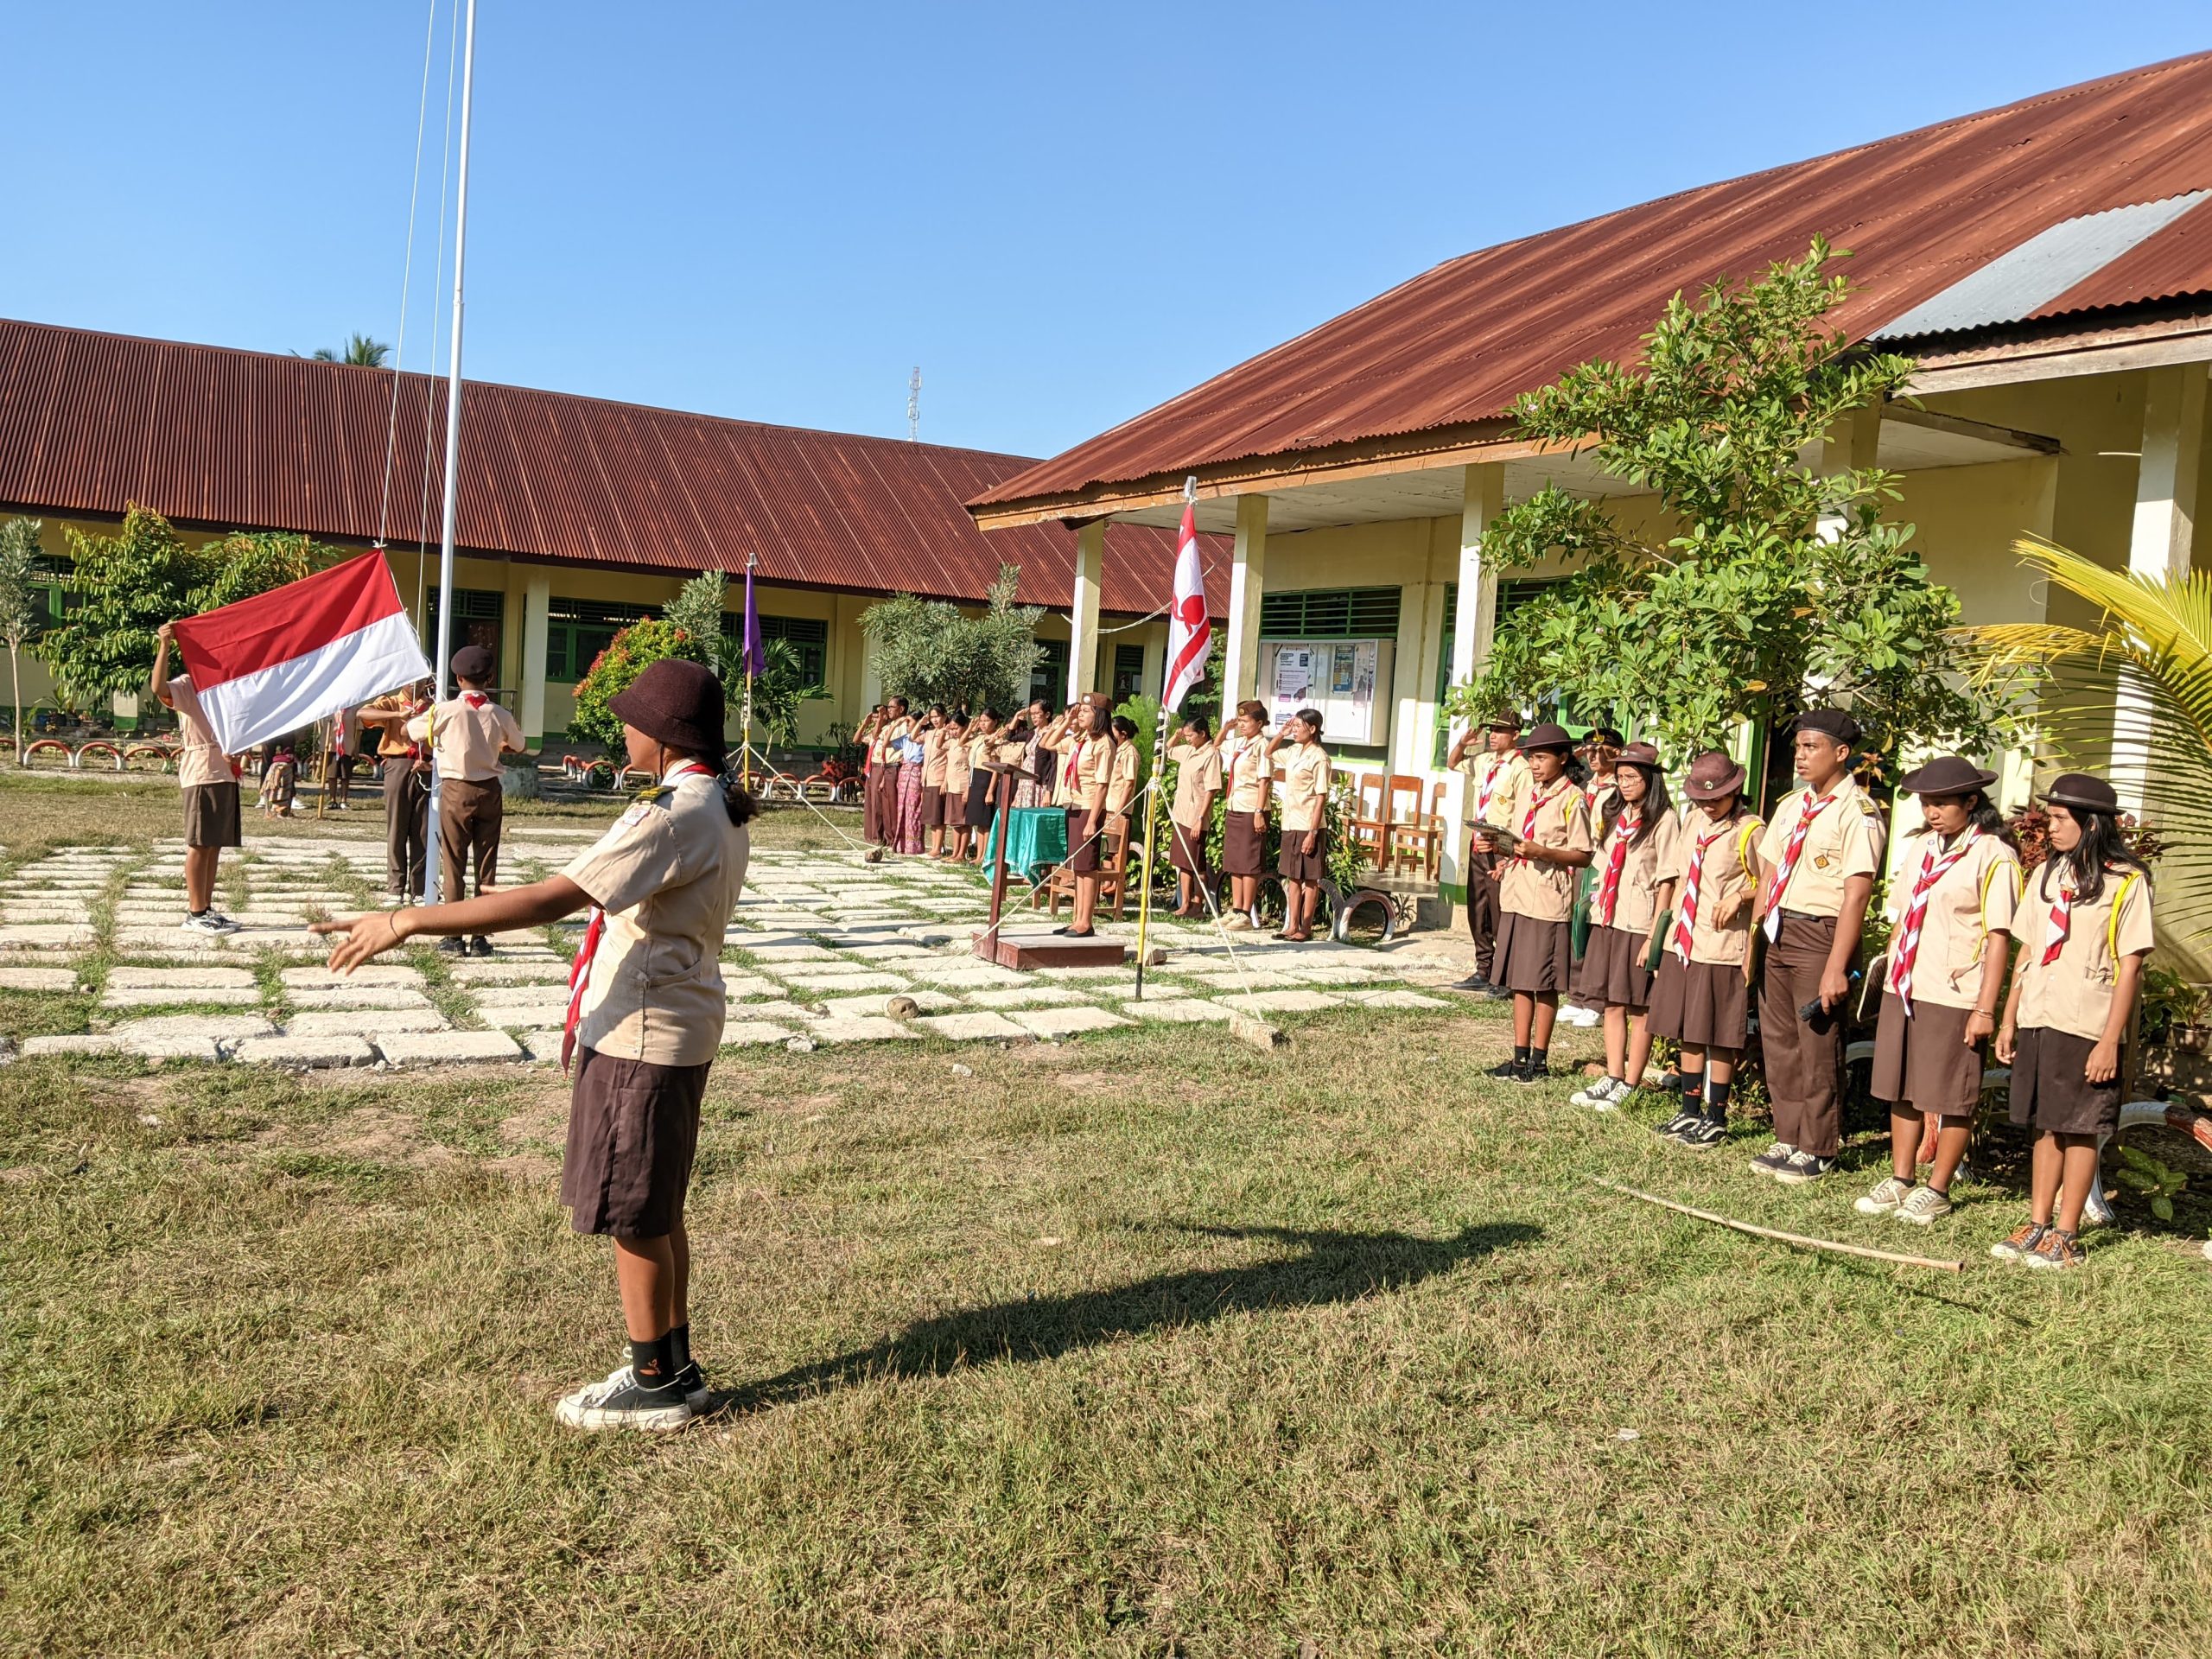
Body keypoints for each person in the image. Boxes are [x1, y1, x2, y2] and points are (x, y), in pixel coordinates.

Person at [316, 658, 754, 1429]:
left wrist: (407, 919)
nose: (623, 731)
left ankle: (655, 1386)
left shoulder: (670, 814)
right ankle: (676, 1367)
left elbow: (554, 900)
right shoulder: (711, 799)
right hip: (676, 1019)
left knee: (635, 1214)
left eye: (632, 720)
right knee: (658, 1206)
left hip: (641, 1033)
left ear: (662, 734)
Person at [1993, 773, 2155, 1270]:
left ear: (2092, 824)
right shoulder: (2048, 873)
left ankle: (2067, 1233)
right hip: (2040, 1013)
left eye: (2061, 819)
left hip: (2086, 1021)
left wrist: (2110, 1041)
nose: (2051, 827)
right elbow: (2028, 949)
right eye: (2051, 817)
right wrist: (2008, 1018)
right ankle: (2038, 1222)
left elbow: (2131, 966)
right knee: (2046, 1125)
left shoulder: (2126, 881)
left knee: (2080, 1128)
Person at [1855, 757, 2022, 1225]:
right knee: (1901, 1085)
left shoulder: (1993, 855)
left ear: (1971, 802)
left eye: (1943, 803)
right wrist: (1890, 972)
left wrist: (1984, 1009)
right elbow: (1903, 915)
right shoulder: (1923, 847)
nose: (1932, 811)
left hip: (1954, 989)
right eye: (1927, 802)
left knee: (1951, 1093)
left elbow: (1999, 937)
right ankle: (1902, 1178)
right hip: (1907, 983)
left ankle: (1938, 1188)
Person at [1751, 708, 1888, 1185]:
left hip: (1820, 934)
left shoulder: (1858, 813)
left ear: (1841, 752)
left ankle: (1818, 1145)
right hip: (1778, 928)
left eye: (1812, 747)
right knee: (1780, 1039)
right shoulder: (1792, 805)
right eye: (1798, 747)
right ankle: (1788, 1134)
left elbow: (1856, 895)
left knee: (1817, 1042)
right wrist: (1755, 938)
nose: (1801, 755)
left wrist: (1836, 966)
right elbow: (1769, 873)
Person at [1647, 752, 1764, 1147]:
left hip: (1722, 945)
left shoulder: (1751, 830)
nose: (1709, 805)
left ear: (1735, 792)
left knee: (1719, 1033)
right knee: (1690, 1030)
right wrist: (1664, 935)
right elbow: (1681, 878)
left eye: (1718, 798)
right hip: (1686, 941)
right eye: (1702, 799)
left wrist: (1741, 897)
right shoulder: (1694, 822)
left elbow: (1771, 883)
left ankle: (1716, 1116)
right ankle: (1690, 1109)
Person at [1569, 742, 1681, 1109]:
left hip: (1639, 922)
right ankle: (1613, 1075)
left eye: (1633, 777)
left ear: (1650, 779)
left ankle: (1631, 1081)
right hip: (1609, 917)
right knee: (1611, 1001)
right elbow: (1602, 862)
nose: (1626, 784)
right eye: (1621, 777)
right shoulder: (1615, 812)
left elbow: (1668, 880)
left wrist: (1654, 935)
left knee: (1638, 1006)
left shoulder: (1664, 820)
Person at [1480, 722, 1592, 1084]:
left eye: (1542, 758)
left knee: (1543, 981)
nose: (1535, 764)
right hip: (1518, 893)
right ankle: (1518, 1058)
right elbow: (1519, 841)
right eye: (1531, 758)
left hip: (1547, 899)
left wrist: (1543, 852)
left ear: (1563, 758)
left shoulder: (1573, 799)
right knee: (1520, 979)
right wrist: (1496, 847)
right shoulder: (1530, 792)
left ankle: (1540, 1061)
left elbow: (1584, 854)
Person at [406, 645, 528, 958]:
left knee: (453, 862)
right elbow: (519, 744)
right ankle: (481, 937)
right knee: (486, 865)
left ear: (458, 679)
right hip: (489, 791)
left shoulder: (444, 711)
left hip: (456, 791)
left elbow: (412, 730)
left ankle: (453, 936)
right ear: (491, 678)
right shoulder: (500, 714)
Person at [148, 620, 242, 934]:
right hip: (202, 770)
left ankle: (207, 906)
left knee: (214, 844)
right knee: (200, 843)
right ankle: (195, 911)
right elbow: (159, 689)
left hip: (225, 771)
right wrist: (164, 646)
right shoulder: (189, 684)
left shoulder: (229, 686)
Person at [1446, 713, 1531, 994]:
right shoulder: (1486, 761)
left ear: (1515, 735)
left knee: (1499, 913)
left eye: (1500, 731)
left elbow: (1523, 817)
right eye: (1491, 730)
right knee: (1478, 909)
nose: (1493, 735)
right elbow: (1453, 763)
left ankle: (1504, 976)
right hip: (1478, 846)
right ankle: (1484, 969)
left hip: (1501, 849)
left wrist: (1509, 855)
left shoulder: (1521, 769)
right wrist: (1463, 743)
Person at [1040, 695, 1115, 938]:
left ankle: (1086, 921)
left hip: (1088, 808)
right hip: (1073, 805)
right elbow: (1047, 743)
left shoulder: (1104, 744)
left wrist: (1092, 820)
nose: (1080, 715)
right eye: (1079, 711)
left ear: (1099, 715)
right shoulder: (1081, 739)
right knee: (1078, 867)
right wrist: (1066, 721)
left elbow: (1102, 785)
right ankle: (1076, 918)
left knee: (1087, 866)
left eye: (1085, 711)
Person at [359, 677, 434, 900]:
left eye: (421, 680)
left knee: (423, 829)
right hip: (398, 763)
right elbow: (363, 713)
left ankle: (419, 889)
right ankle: (396, 887)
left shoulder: (433, 705)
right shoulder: (392, 702)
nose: (415, 684)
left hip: (426, 765)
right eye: (411, 680)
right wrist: (396, 715)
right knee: (397, 828)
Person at [1267, 709, 1332, 942]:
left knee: (1310, 878)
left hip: (1308, 824)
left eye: (1298, 727)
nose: (1294, 730)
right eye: (1293, 726)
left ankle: (1305, 927)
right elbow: (1268, 752)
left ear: (1312, 729)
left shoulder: (1319, 757)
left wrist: (1312, 833)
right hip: (1291, 822)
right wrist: (1281, 733)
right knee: (1292, 876)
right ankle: (1291, 925)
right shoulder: (1294, 750)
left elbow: (1321, 797)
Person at [1218, 700, 1273, 931]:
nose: (1241, 725)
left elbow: (1264, 781)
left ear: (1259, 723)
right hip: (1236, 805)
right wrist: (1226, 729)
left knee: (1249, 862)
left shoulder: (1262, 746)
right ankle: (1236, 908)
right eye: (1239, 721)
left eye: (1245, 721)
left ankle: (1246, 913)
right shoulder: (1242, 743)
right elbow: (1216, 746)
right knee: (1235, 861)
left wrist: (1259, 811)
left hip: (1252, 808)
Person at [1163, 715, 1224, 918]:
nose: (1188, 739)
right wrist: (1177, 736)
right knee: (1183, 861)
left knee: (1196, 861)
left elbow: (1211, 789)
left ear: (1202, 733)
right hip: (1181, 813)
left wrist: (1200, 819)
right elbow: (1167, 751)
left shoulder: (1211, 754)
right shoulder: (1190, 750)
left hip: (1196, 814)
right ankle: (1185, 902)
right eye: (1186, 736)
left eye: (1191, 735)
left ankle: (1198, 904)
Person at [962, 709, 1001, 865]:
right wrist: (970, 729)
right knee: (978, 819)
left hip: (986, 778)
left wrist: (990, 791)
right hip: (975, 777)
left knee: (986, 820)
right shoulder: (979, 737)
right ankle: (979, 855)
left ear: (995, 722)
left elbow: (996, 768)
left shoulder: (996, 739)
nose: (983, 724)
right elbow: (961, 742)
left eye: (986, 721)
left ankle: (985, 855)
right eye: (981, 721)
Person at [1105, 715, 1142, 854]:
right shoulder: (1115, 749)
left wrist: (1118, 811)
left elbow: (1129, 783)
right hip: (1108, 807)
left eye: (1112, 731)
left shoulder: (1129, 752)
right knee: (1105, 851)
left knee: (1114, 852)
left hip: (1118, 809)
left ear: (1123, 734)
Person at [939, 709, 974, 861]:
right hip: (952, 785)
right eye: (951, 728)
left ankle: (962, 854)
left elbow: (971, 768)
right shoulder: (952, 742)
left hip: (963, 785)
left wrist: (968, 790)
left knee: (964, 822)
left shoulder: (970, 743)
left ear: (965, 726)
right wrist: (944, 730)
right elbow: (939, 745)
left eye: (956, 728)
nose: (953, 731)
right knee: (954, 821)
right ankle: (955, 853)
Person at [918, 705, 950, 859]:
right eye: (932, 717)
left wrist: (945, 781)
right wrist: (921, 723)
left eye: (937, 716)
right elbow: (912, 737)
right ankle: (934, 847)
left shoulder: (948, 733)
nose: (935, 720)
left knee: (938, 815)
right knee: (931, 816)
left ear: (944, 716)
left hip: (939, 777)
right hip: (927, 779)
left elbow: (949, 759)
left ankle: (938, 848)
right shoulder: (929, 733)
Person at [325, 706, 359, 811]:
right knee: (332, 775)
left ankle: (344, 800)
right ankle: (332, 800)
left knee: (345, 775)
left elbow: (358, 730)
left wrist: (356, 748)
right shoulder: (330, 709)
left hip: (347, 746)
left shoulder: (354, 710)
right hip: (332, 746)